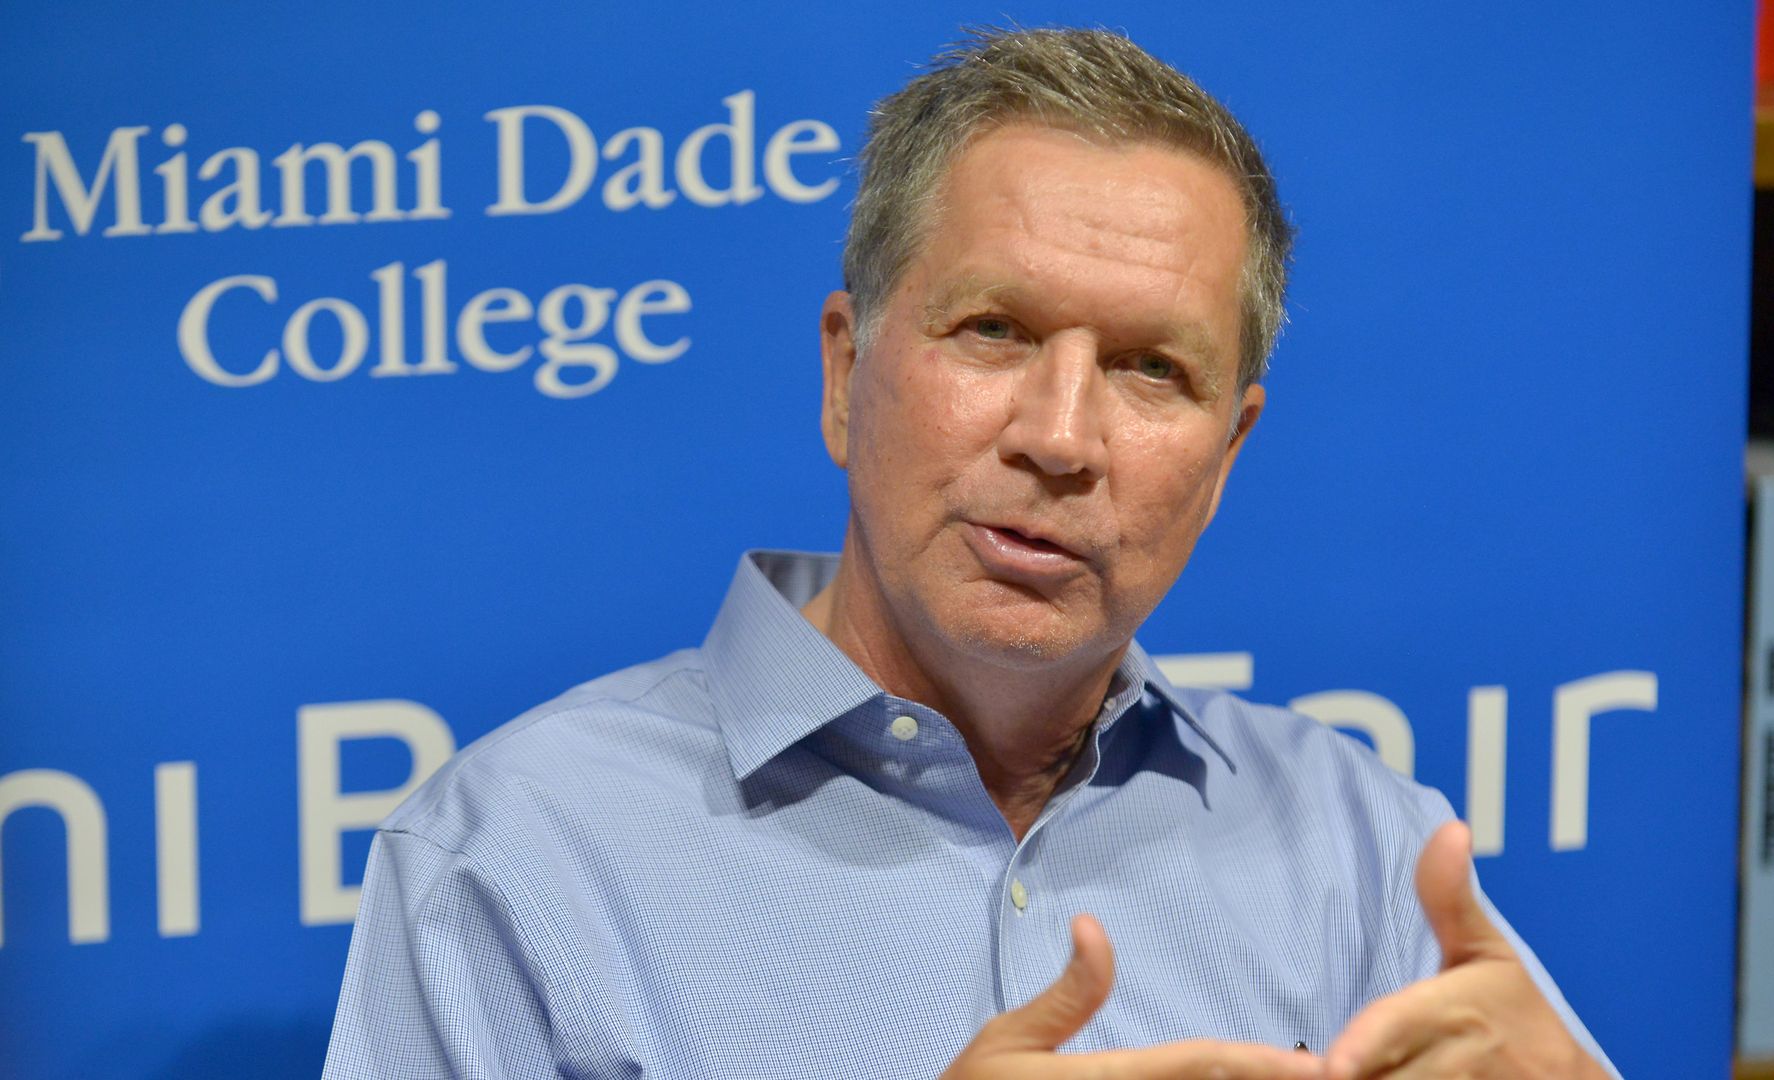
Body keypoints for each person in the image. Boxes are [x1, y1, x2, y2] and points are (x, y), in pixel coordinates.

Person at [323, 27, 1619, 1080]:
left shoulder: (1366, 853)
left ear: (1227, 455)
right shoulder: (513, 859)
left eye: (1151, 369)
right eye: (995, 331)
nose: (1061, 437)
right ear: (846, 375)